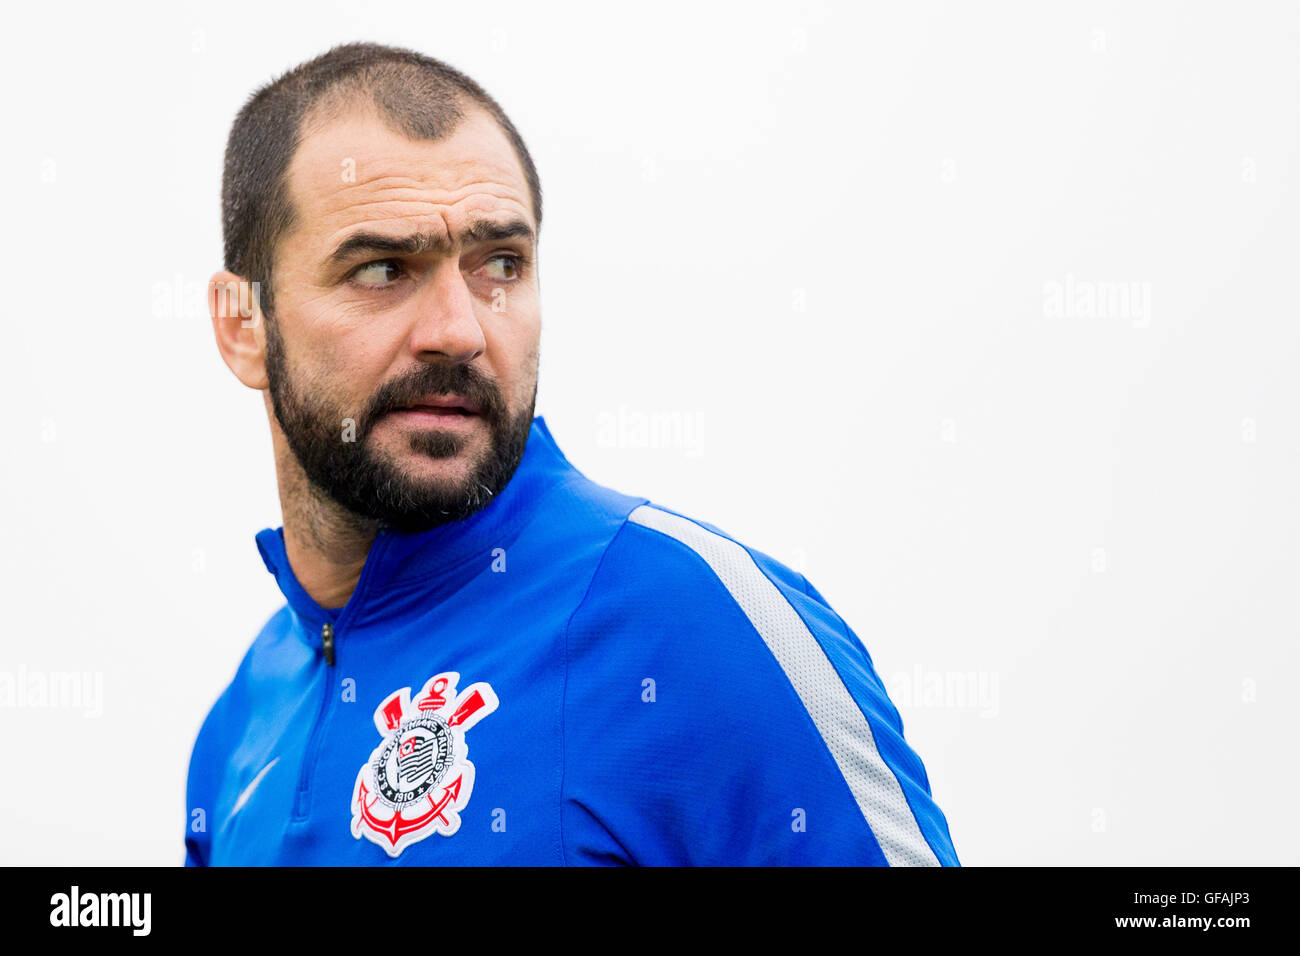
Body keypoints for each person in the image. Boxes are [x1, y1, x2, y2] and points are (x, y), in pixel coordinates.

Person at [186, 41, 960, 866]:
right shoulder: (242, 720)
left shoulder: (693, 623)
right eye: (383, 268)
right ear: (244, 324)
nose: (459, 330)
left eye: (500, 265)